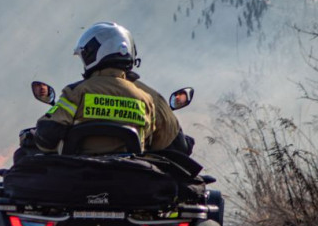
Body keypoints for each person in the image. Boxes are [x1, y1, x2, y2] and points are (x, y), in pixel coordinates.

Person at [23, 22, 193, 155]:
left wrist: (33, 136)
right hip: (134, 186)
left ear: (92, 54)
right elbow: (174, 145)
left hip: (77, 182)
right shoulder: (148, 99)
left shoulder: (77, 92)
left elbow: (47, 137)